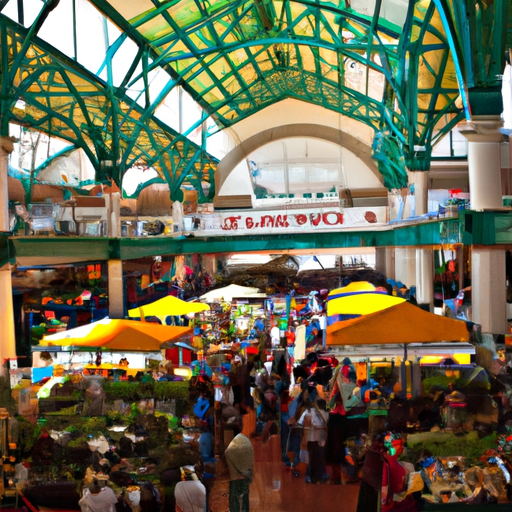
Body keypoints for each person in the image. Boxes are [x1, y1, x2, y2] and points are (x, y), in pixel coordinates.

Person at [225, 434, 254, 512]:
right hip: (242, 480)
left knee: (238, 504)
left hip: (238, 481)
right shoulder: (243, 442)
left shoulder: (235, 446)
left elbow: (228, 452)